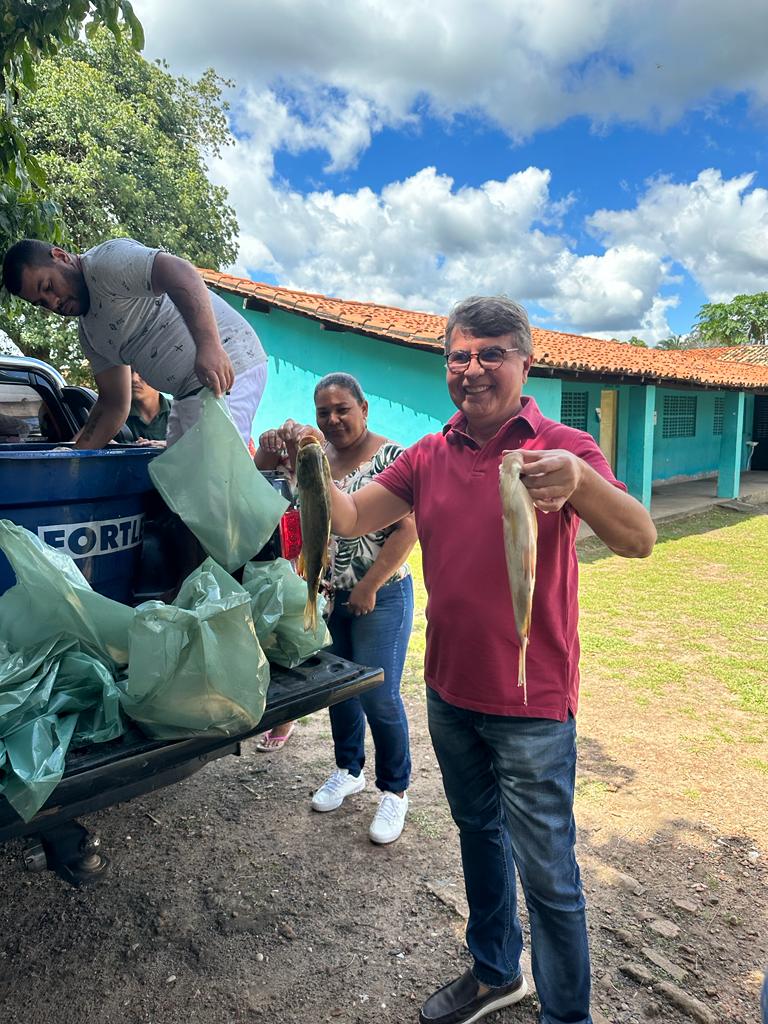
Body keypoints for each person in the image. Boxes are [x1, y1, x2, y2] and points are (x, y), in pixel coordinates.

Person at [299, 298, 656, 1024]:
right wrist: (306, 461)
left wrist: (581, 483)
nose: (473, 368)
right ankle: (497, 971)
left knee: (550, 875)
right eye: (460, 356)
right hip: (450, 692)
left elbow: (639, 538)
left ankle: (567, 1015)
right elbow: (350, 517)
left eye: (491, 353)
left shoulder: (563, 446)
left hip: (532, 705)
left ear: (526, 363)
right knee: (478, 838)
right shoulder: (430, 455)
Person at [254, 372, 417, 845]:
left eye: (343, 408)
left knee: (379, 694)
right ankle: (349, 769)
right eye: (323, 411)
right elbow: (268, 489)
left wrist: (368, 586)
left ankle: (395, 790)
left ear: (364, 409)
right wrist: (269, 448)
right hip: (327, 595)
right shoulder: (314, 458)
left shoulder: (392, 457)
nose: (333, 419)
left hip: (380, 595)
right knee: (339, 690)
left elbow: (407, 530)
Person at [1, 238, 268, 448]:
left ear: (60, 256)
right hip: (189, 394)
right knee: (183, 491)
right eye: (41, 303)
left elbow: (181, 272)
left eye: (48, 287)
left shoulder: (106, 264)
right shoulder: (90, 335)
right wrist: (73, 457)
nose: (53, 303)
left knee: (218, 485)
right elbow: (113, 404)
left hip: (229, 364)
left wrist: (210, 346)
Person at [125, 370, 171, 446]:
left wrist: (168, 445)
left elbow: (196, 445)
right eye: (130, 371)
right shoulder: (113, 417)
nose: (134, 379)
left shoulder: (181, 411)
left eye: (142, 373)